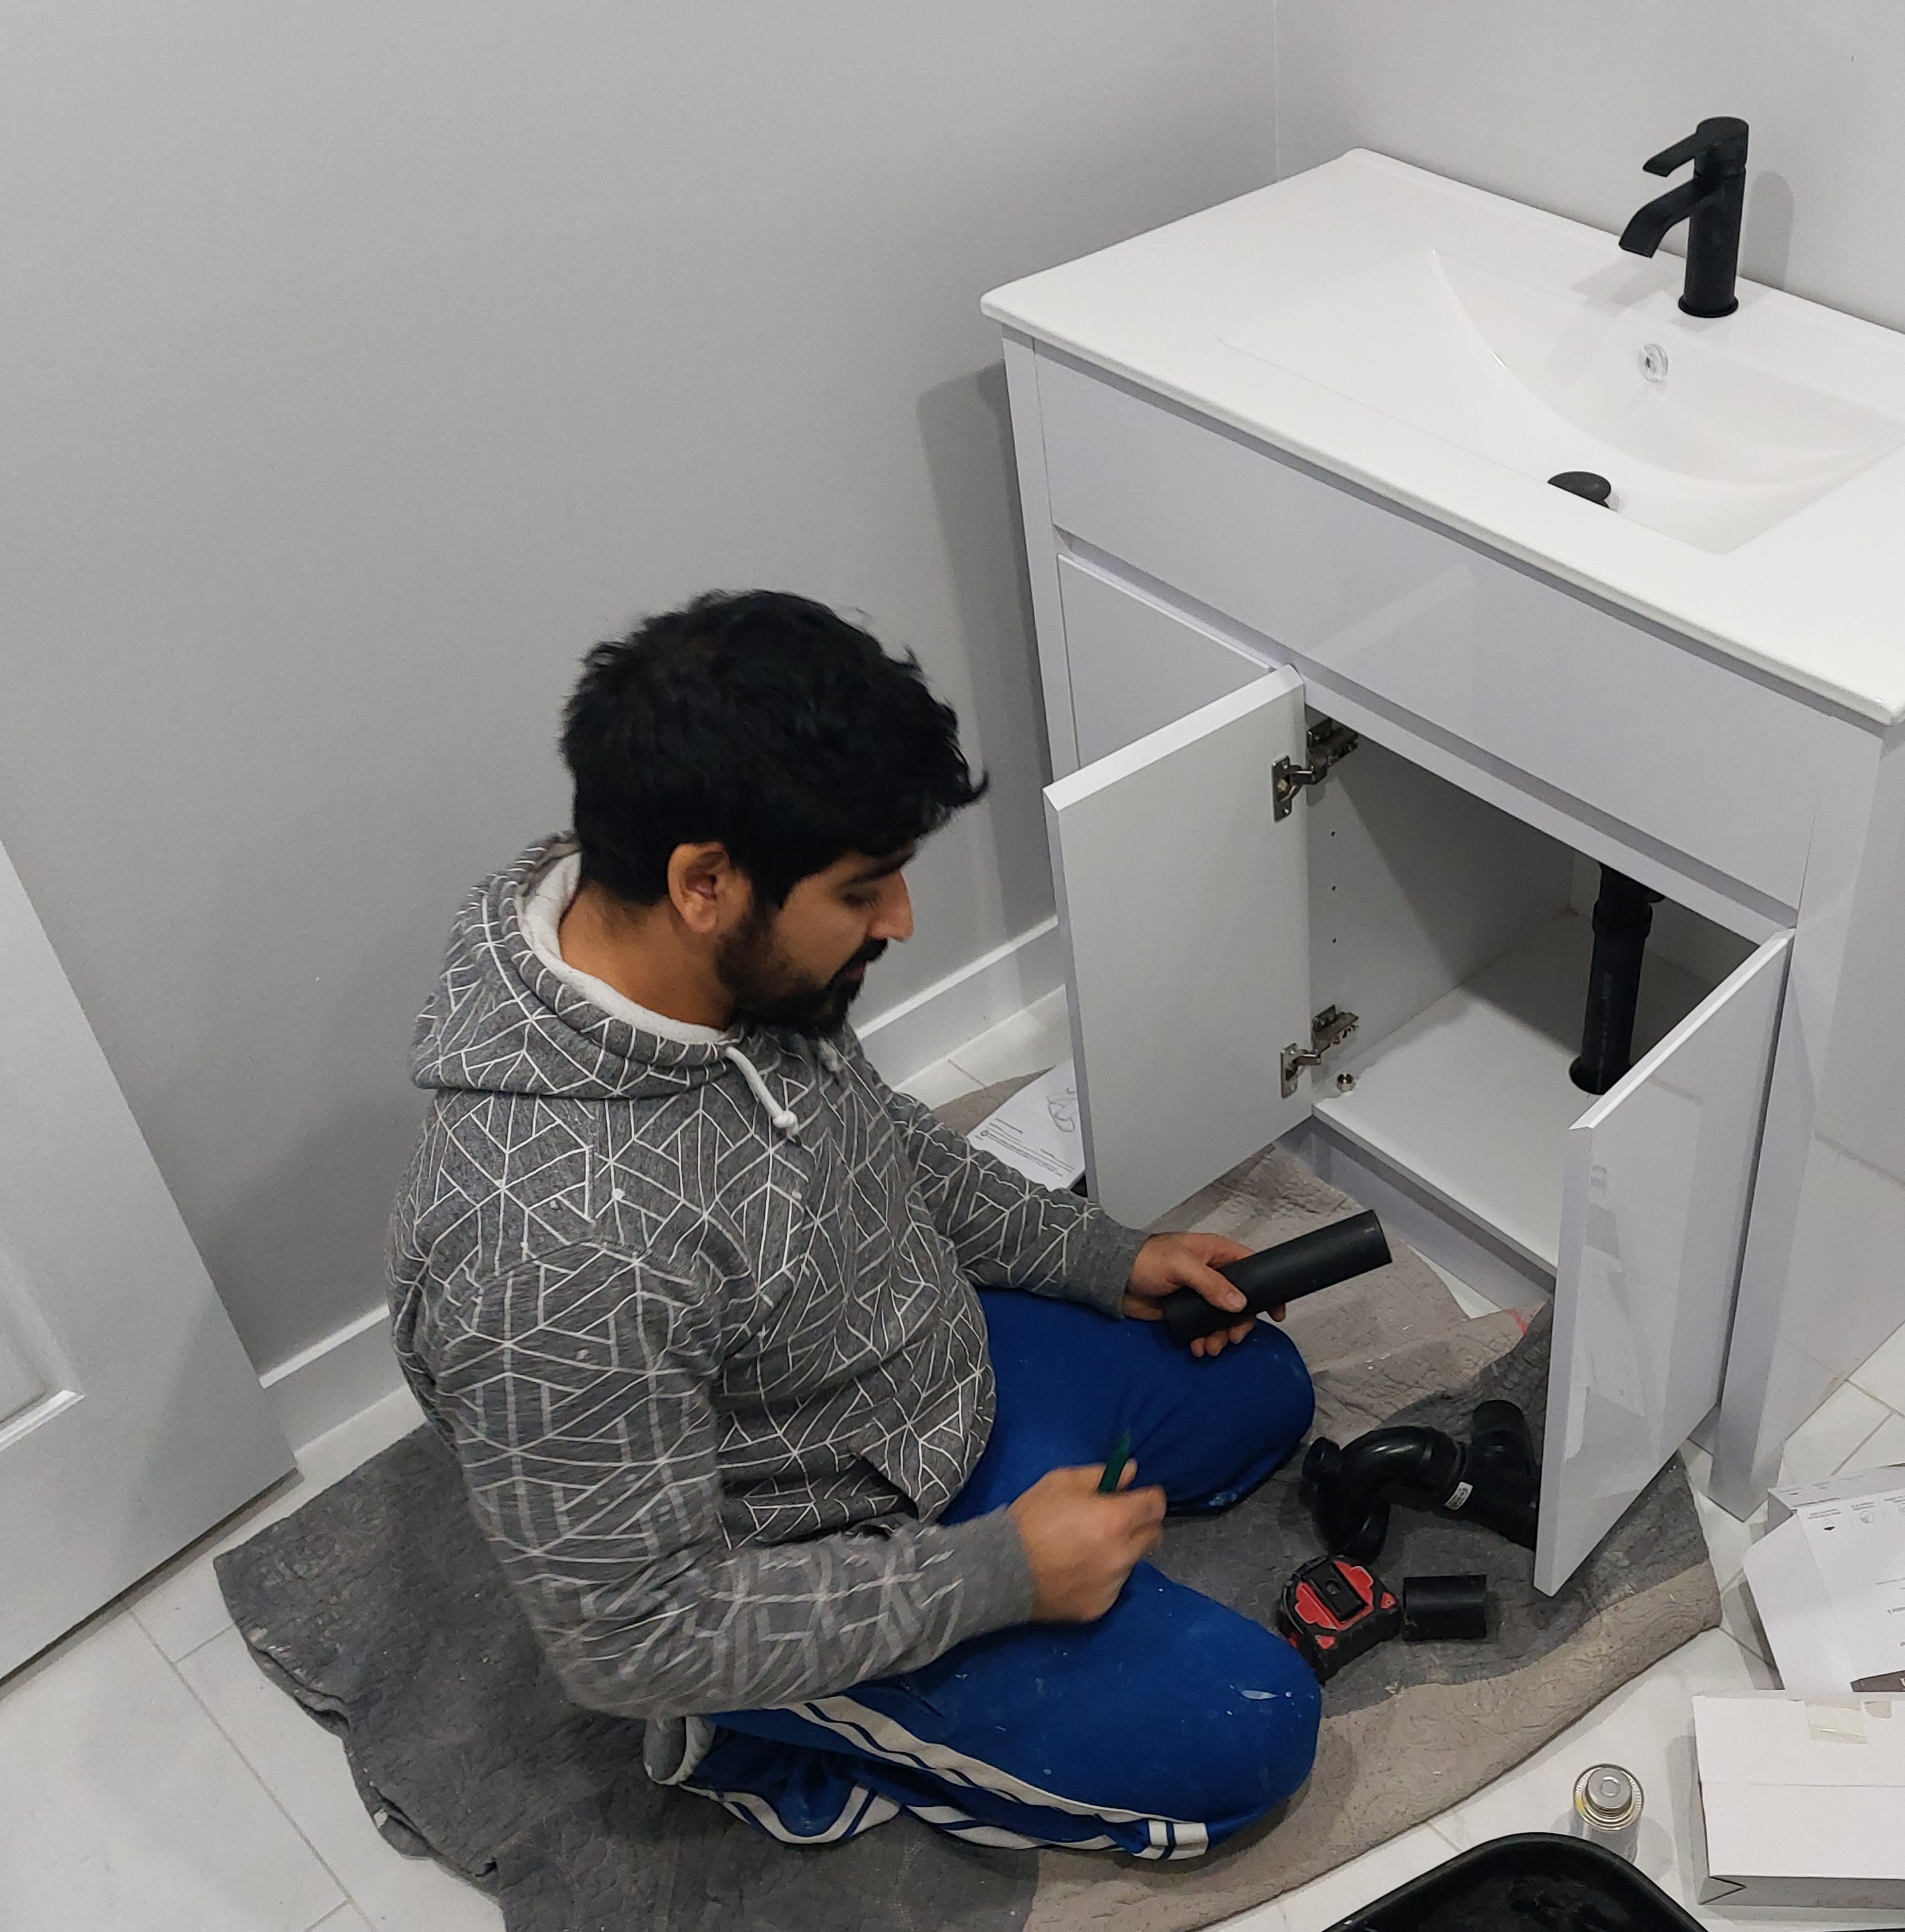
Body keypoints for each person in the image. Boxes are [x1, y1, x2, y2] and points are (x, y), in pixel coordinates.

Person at [387, 591, 1322, 1854]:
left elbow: (878, 1142)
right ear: (704, 884)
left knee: (1262, 1385)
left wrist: (1103, 1261)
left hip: (920, 1383)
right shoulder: (549, 1252)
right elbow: (629, 1633)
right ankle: (777, 1736)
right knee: (1254, 1736)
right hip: (812, 1545)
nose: (901, 924)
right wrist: (997, 1577)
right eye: (866, 891)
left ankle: (1023, 1540)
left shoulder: (710, 965)